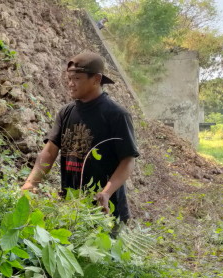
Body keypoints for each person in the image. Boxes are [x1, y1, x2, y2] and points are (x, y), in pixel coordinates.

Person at [21, 52, 139, 223]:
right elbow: (49, 152)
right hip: (72, 207)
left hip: (105, 211)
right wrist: (31, 182)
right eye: (69, 78)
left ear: (96, 79)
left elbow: (128, 161)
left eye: (76, 79)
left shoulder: (116, 115)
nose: (70, 84)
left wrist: (106, 193)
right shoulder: (66, 112)